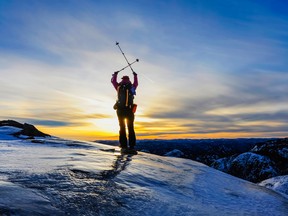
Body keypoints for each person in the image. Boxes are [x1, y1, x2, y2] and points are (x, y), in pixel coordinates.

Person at [111, 70, 138, 154]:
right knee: (130, 128)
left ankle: (123, 146)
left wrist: (115, 74)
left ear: (122, 79)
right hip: (129, 110)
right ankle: (132, 147)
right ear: (129, 79)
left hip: (120, 110)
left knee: (122, 127)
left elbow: (113, 81)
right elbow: (136, 83)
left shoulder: (119, 86)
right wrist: (135, 75)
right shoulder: (131, 87)